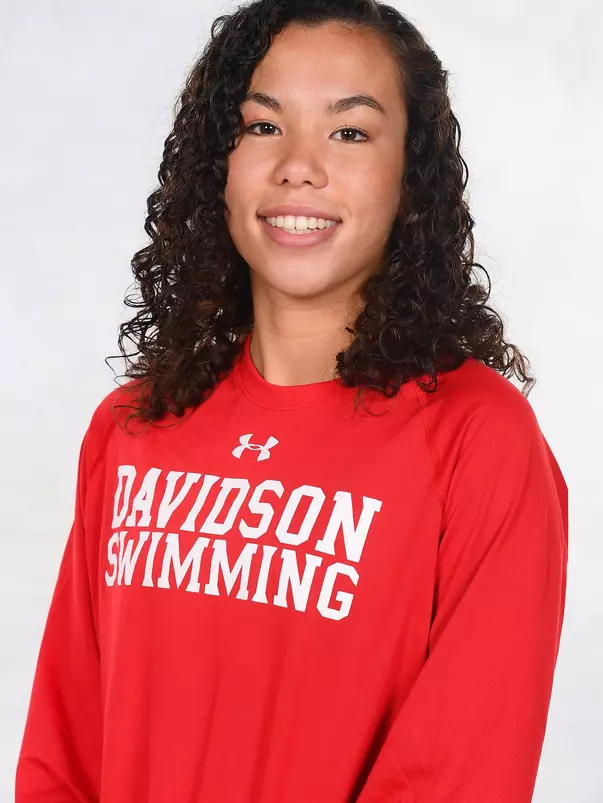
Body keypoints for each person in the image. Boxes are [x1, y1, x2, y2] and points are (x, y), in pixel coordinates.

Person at [15, 1, 568, 801]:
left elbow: (455, 775)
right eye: (262, 126)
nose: (298, 166)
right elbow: (61, 753)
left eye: (349, 132)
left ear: (411, 179)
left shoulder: (476, 438)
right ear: (218, 162)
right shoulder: (133, 427)